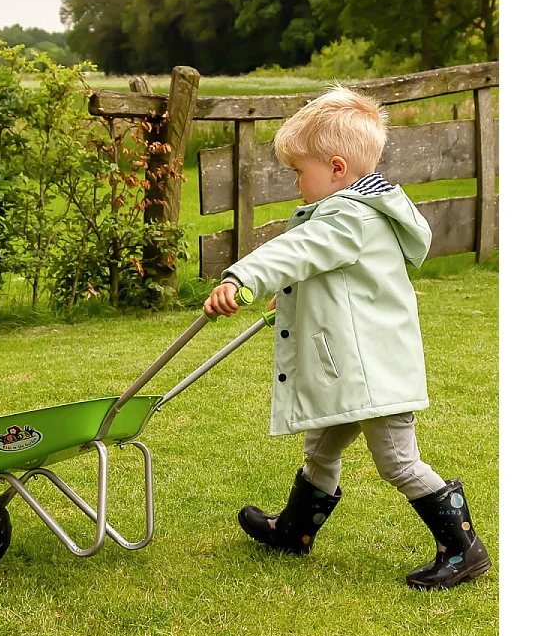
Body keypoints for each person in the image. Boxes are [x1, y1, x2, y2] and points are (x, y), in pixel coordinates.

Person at [203, 84, 490, 590]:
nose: (296, 182)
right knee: (322, 447)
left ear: (337, 169)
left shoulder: (348, 216)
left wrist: (241, 278)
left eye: (300, 171)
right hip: (354, 368)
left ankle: (462, 549)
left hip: (372, 370)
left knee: (398, 461)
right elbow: (327, 272)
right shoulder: (360, 213)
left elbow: (297, 249)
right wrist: (288, 295)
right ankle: (294, 532)